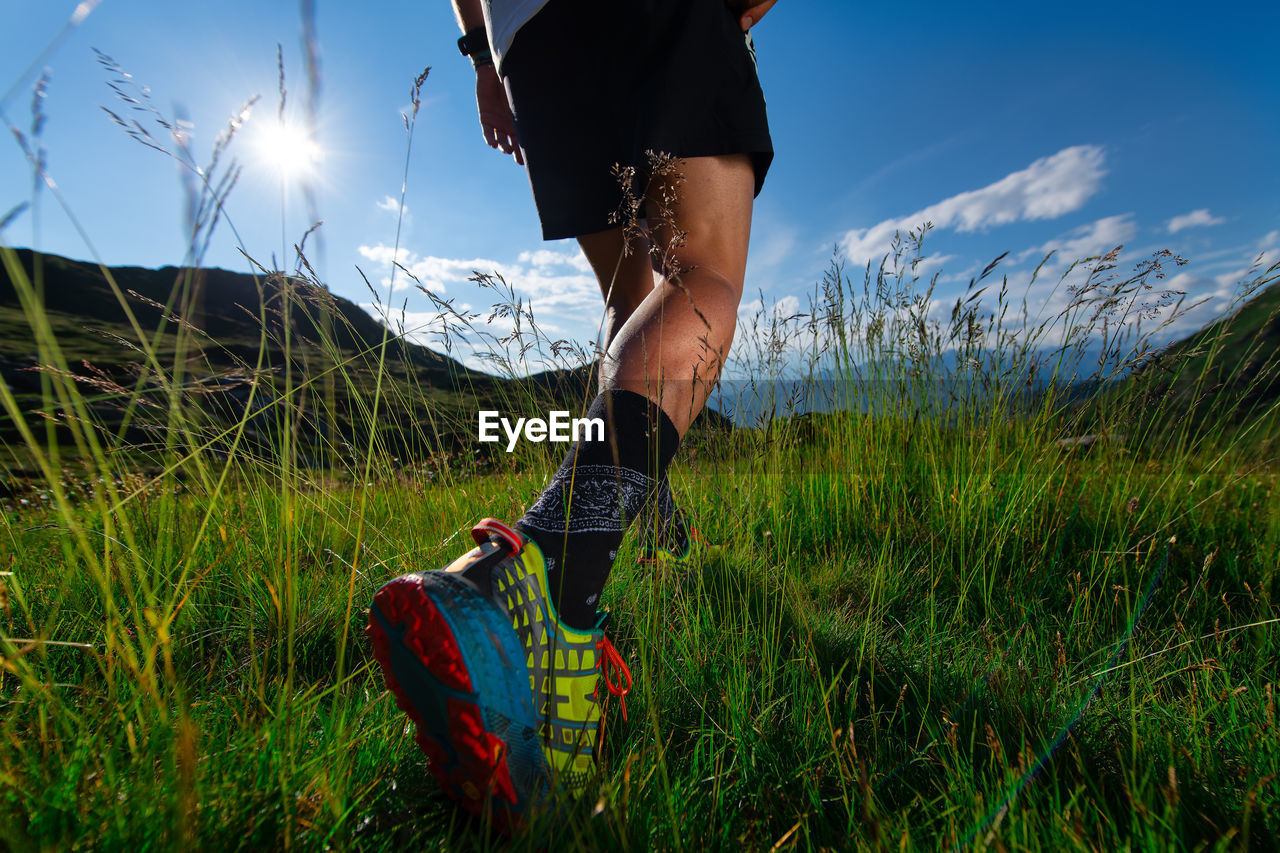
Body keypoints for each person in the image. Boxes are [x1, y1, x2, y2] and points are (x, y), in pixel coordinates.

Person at [365, 0, 777, 832]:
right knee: (701, 280)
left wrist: (483, 61)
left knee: (632, 300)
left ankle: (635, 525)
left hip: (534, 44)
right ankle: (552, 565)